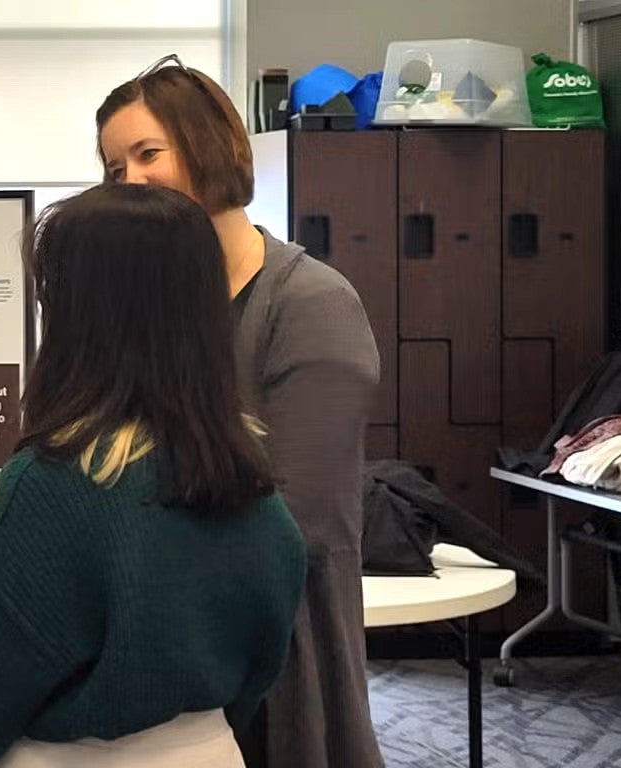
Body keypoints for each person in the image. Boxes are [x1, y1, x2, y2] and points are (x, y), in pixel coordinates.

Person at [0, 183, 308, 768]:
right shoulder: (249, 477)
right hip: (210, 750)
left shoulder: (55, 479)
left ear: (83, 315)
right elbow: (261, 666)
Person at [96, 54, 384, 768]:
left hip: (273, 647)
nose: (130, 180)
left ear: (212, 148)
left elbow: (294, 524)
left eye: (147, 154)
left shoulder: (312, 305)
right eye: (113, 167)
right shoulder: (141, 311)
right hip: (149, 639)